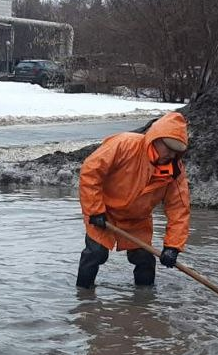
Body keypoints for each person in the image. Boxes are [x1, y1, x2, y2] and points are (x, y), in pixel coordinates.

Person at [77, 111, 190, 289]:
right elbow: (90, 172)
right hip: (103, 212)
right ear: (155, 139)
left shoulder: (175, 172)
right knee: (96, 253)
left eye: (176, 151)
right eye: (168, 148)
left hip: (138, 220)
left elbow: (179, 210)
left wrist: (172, 247)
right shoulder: (124, 144)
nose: (170, 154)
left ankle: (144, 305)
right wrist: (95, 210)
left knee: (144, 259)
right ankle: (83, 298)